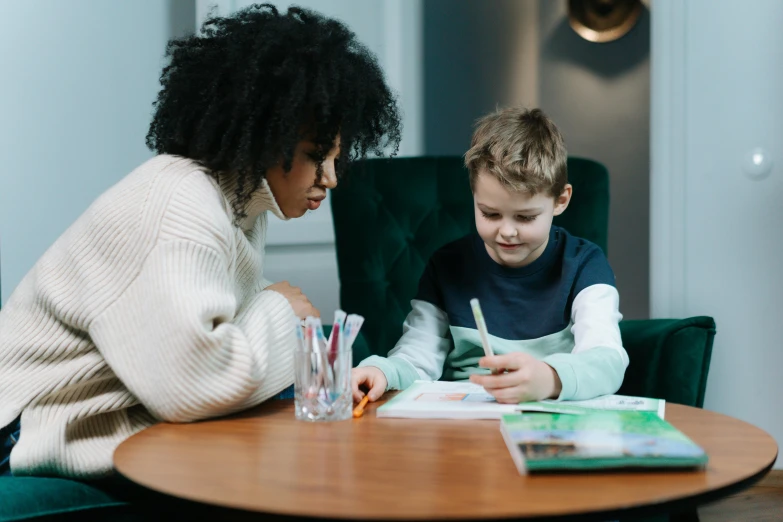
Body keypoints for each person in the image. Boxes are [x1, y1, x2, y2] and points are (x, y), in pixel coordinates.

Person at [0, 3, 400, 479]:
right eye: (317, 156)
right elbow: (193, 384)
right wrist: (279, 310)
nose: (332, 178)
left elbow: (212, 329)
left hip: (92, 423)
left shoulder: (237, 203)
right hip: (25, 433)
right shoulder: (180, 202)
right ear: (266, 140)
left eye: (337, 157)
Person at [352, 107, 627, 405]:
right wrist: (382, 370)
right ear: (474, 197)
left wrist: (549, 378)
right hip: (464, 423)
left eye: (525, 217)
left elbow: (607, 360)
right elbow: (417, 359)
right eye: (490, 214)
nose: (507, 232)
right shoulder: (447, 266)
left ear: (560, 200)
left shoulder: (585, 264)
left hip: (550, 420)